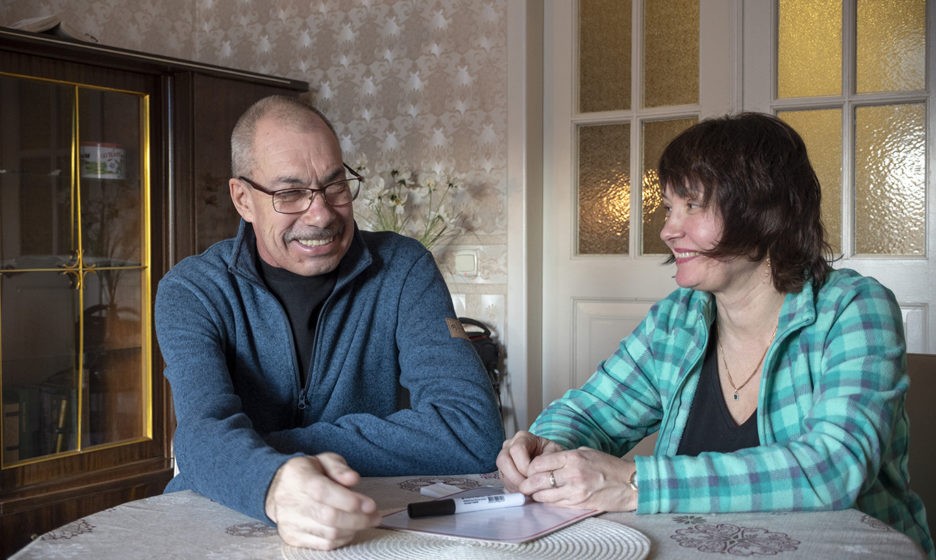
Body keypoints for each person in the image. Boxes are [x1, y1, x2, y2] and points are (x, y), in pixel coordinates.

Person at [497, 112, 934, 556]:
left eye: (693, 206)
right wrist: (544, 446)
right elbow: (592, 413)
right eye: (669, 208)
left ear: (764, 212)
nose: (668, 230)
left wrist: (634, 483)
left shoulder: (853, 308)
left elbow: (833, 468)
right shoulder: (677, 319)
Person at [155, 95, 504, 550]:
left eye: (335, 186)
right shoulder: (192, 290)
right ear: (243, 199)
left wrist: (251, 453)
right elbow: (202, 433)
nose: (320, 214)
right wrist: (273, 484)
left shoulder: (404, 268)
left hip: (365, 530)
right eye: (290, 194)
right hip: (223, 525)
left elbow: (472, 431)